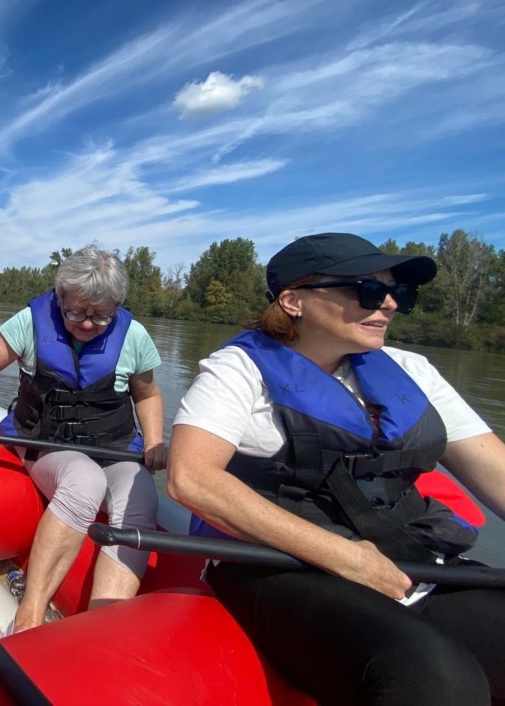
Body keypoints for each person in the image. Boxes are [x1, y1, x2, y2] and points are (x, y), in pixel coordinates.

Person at [168, 232, 505, 705]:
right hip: (282, 568)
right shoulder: (237, 372)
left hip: (413, 559)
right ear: (293, 300)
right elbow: (191, 479)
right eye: (367, 289)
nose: (388, 303)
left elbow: (497, 472)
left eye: (398, 293)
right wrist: (347, 558)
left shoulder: (413, 370)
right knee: (438, 678)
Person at [0, 244, 166, 633]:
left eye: (100, 316)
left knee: (141, 497)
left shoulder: (133, 335)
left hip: (113, 445)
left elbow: (148, 394)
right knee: (84, 480)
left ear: (116, 306)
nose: (87, 324)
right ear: (59, 296)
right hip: (46, 443)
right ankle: (28, 617)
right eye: (76, 312)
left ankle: (101, 629)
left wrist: (154, 440)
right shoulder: (29, 322)